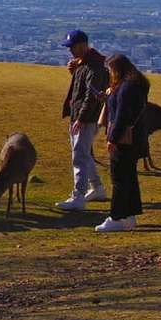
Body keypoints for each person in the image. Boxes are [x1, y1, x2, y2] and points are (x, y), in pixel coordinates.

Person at [95, 54, 149, 232]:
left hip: (124, 140)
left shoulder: (126, 88)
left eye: (111, 70)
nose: (110, 73)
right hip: (135, 139)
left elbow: (121, 117)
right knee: (129, 177)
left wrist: (112, 139)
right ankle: (129, 215)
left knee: (119, 178)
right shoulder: (136, 85)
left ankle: (117, 216)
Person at [55, 30, 109, 211]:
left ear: (84, 45)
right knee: (85, 153)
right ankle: (97, 188)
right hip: (82, 115)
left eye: (73, 47)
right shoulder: (85, 64)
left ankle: (78, 197)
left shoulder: (94, 67)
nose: (71, 51)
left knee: (79, 155)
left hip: (85, 117)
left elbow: (90, 96)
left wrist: (81, 118)